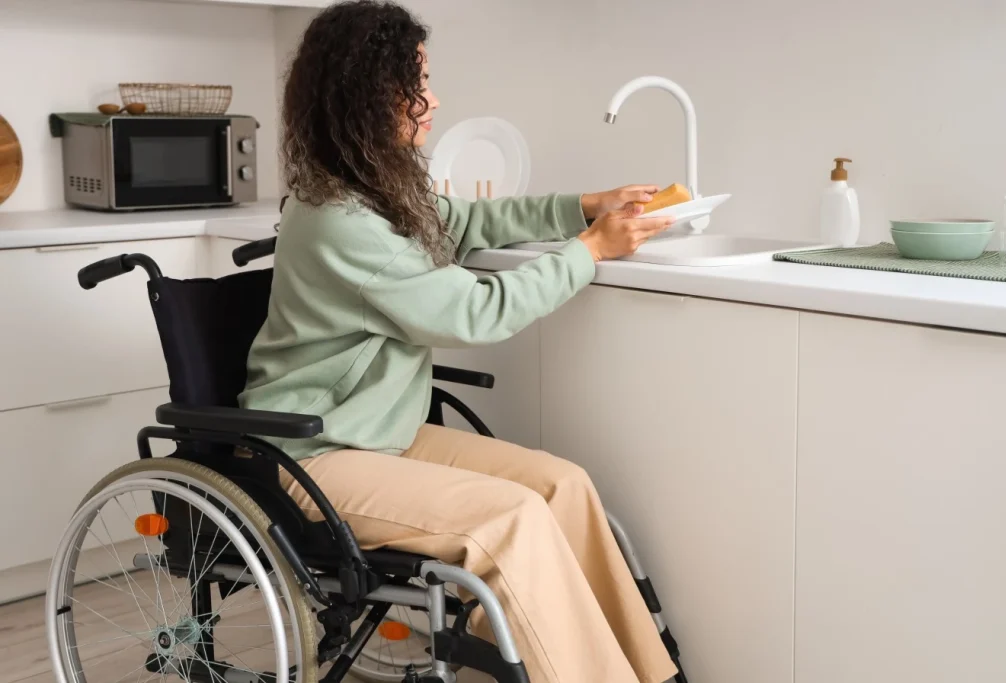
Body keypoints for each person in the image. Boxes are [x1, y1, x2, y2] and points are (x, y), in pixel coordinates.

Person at [239, 2, 678, 682]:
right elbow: (475, 313)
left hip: (381, 431)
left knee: (562, 485)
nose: (434, 99)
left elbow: (469, 218)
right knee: (512, 517)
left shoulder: (374, 188)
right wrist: (589, 250)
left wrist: (582, 206)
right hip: (312, 452)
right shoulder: (337, 220)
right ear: (365, 96)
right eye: (416, 84)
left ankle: (649, 673)